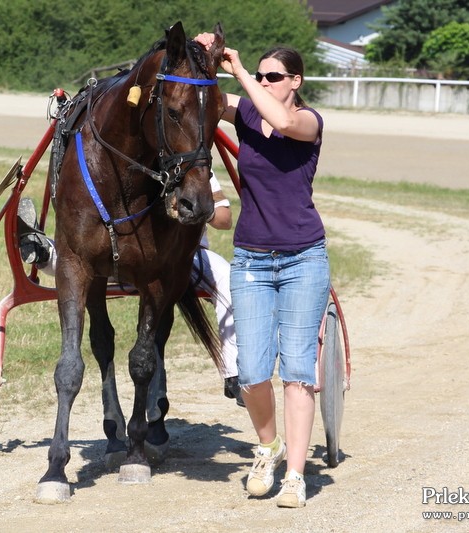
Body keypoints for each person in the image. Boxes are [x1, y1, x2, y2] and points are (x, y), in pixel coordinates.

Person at [195, 33, 331, 508]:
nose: (264, 82)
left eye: (273, 76)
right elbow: (199, 93)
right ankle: (268, 447)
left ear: (295, 81)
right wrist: (207, 56)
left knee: (297, 369)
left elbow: (280, 118)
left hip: (303, 258)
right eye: (261, 75)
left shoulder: (307, 121)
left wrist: (242, 76)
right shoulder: (251, 109)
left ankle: (295, 474)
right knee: (252, 371)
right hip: (251, 259)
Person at [16, 173, 244, 407]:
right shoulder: (136, 168)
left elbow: (225, 219)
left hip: (181, 259)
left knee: (228, 278)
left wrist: (198, 209)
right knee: (76, 263)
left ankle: (234, 374)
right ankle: (44, 253)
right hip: (128, 260)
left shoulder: (196, 168)